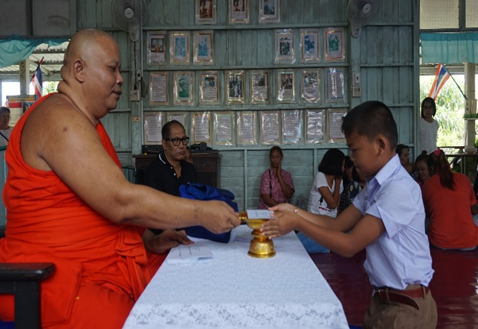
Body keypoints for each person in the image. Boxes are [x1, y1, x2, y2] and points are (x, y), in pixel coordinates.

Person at [0, 29, 240, 328]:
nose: (120, 79)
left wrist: (150, 240)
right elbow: (120, 201)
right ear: (79, 70)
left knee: (197, 284)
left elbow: (99, 208)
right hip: (56, 278)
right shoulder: (58, 117)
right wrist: (201, 212)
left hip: (103, 266)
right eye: (112, 69)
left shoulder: (84, 122)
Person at [262, 101, 437, 328]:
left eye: (355, 150)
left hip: (406, 309)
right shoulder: (375, 186)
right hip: (383, 301)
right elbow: (337, 225)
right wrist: (293, 210)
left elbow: (349, 244)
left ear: (380, 145)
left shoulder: (398, 189)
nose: (351, 159)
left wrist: (297, 221)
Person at [422, 149, 478, 250]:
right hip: (470, 243)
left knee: (424, 221)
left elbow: (426, 213)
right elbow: (474, 210)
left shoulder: (428, 184)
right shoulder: (464, 179)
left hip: (439, 243)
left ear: (431, 168)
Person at [299, 148, 344, 253]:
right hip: (314, 223)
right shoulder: (320, 176)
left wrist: (335, 226)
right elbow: (332, 204)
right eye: (342, 164)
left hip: (329, 225)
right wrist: (337, 184)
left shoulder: (339, 181)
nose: (344, 168)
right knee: (300, 245)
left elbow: (336, 209)